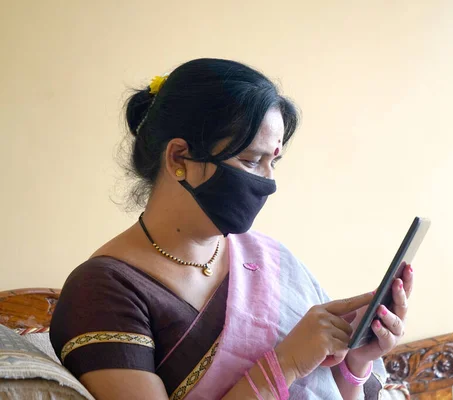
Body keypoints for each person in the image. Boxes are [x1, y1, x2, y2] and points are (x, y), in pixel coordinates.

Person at [50, 58, 414, 400]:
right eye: (251, 161)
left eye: (273, 162)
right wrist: (285, 364)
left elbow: (330, 388)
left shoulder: (268, 258)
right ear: (179, 158)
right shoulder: (103, 291)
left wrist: (356, 359)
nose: (268, 181)